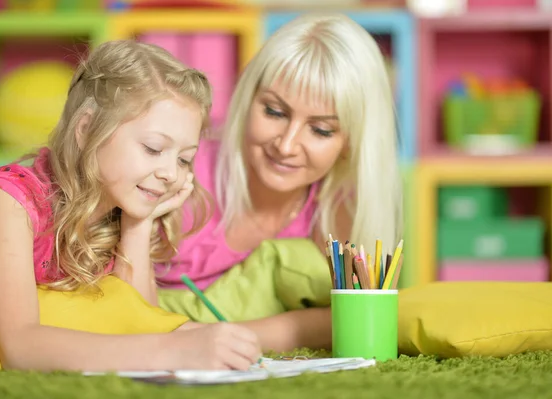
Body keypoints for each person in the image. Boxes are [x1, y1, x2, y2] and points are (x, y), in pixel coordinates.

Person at [0, 40, 261, 372]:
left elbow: (135, 319)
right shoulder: (9, 200)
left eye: (185, 159)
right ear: (86, 130)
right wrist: (173, 350)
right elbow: (18, 348)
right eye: (154, 148)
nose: (171, 173)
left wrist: (138, 225)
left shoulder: (121, 202)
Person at [155, 13, 404, 352]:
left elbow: (345, 320)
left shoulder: (338, 208)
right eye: (274, 112)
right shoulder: (179, 168)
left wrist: (214, 339)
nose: (286, 146)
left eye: (320, 130)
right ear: (248, 97)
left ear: (350, 140)